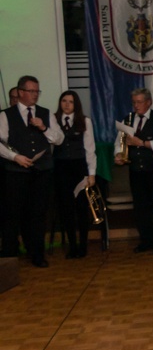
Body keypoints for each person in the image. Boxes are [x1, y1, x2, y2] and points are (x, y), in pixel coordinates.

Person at [0, 75, 65, 267]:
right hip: (16, 172)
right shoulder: (6, 115)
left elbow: (59, 139)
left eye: (37, 91)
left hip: (41, 171)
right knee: (12, 214)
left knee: (38, 214)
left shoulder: (45, 114)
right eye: (31, 91)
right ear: (21, 92)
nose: (35, 95)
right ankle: (9, 256)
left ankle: (37, 254)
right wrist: (15, 157)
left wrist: (44, 128)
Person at [118, 87, 153, 253]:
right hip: (135, 171)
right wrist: (118, 154)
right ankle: (146, 240)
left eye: (139, 102)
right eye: (134, 102)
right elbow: (119, 141)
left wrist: (142, 143)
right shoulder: (128, 119)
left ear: (148, 102)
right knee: (140, 208)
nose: (136, 106)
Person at [53, 90, 96, 259]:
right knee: (66, 209)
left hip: (79, 168)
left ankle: (83, 245)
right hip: (60, 168)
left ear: (75, 104)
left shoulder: (84, 121)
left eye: (70, 101)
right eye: (64, 101)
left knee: (81, 208)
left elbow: (90, 149)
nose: (67, 104)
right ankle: (72, 245)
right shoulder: (54, 120)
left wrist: (91, 173)